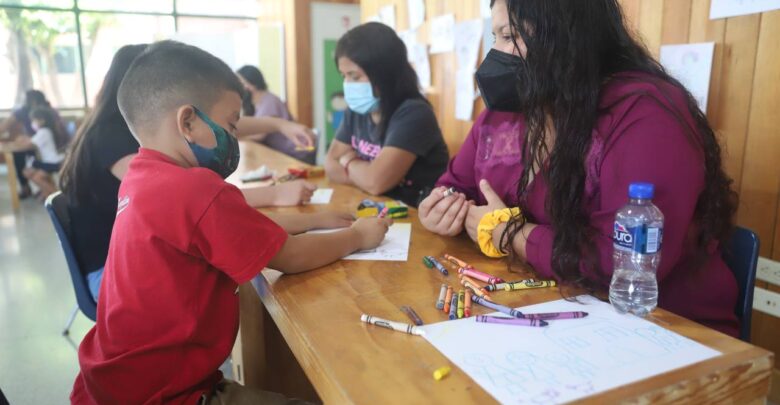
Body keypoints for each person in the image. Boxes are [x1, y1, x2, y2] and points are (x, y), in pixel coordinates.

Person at [70, 40, 392, 404]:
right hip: (167, 396)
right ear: (188, 121)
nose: (234, 138)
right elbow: (290, 257)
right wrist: (358, 235)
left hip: (111, 387)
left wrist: (316, 219)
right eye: (231, 125)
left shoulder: (143, 175)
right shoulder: (194, 188)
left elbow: (237, 226)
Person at [418, 0, 739, 337]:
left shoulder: (645, 114)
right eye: (495, 36)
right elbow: (456, 185)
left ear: (567, 36)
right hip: (551, 309)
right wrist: (442, 208)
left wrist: (510, 234)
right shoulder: (511, 108)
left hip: (665, 327)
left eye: (510, 36)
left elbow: (620, 259)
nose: (496, 53)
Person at [59, 45, 320, 301]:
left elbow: (226, 123)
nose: (231, 133)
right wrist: (275, 196)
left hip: (127, 269)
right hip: (110, 275)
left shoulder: (144, 153)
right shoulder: (112, 141)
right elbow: (206, 206)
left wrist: (278, 124)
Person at [324, 22, 449, 207]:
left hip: (417, 219)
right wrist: (364, 176)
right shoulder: (357, 110)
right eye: (344, 76)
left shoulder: (414, 114)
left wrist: (348, 160)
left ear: (383, 73)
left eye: (355, 76)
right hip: (376, 209)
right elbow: (330, 165)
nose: (348, 85)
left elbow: (376, 182)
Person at [237, 65, 315, 164]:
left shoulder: (269, 101)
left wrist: (239, 137)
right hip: (284, 153)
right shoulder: (257, 103)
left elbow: (259, 135)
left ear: (251, 84)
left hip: (295, 155)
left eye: (240, 83)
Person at [0, 90, 60, 198]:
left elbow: (29, 144)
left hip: (50, 158)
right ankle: (44, 191)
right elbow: (6, 126)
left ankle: (54, 195)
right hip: (41, 152)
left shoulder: (44, 127)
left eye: (35, 121)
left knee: (34, 175)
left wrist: (14, 143)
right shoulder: (24, 112)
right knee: (28, 170)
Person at [11, 107, 69, 200]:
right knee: (29, 172)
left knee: (36, 176)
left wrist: (21, 140)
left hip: (52, 162)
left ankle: (58, 198)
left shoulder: (44, 132)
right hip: (49, 161)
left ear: (42, 120)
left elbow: (29, 144)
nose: (32, 123)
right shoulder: (45, 131)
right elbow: (31, 141)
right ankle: (48, 195)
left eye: (34, 120)